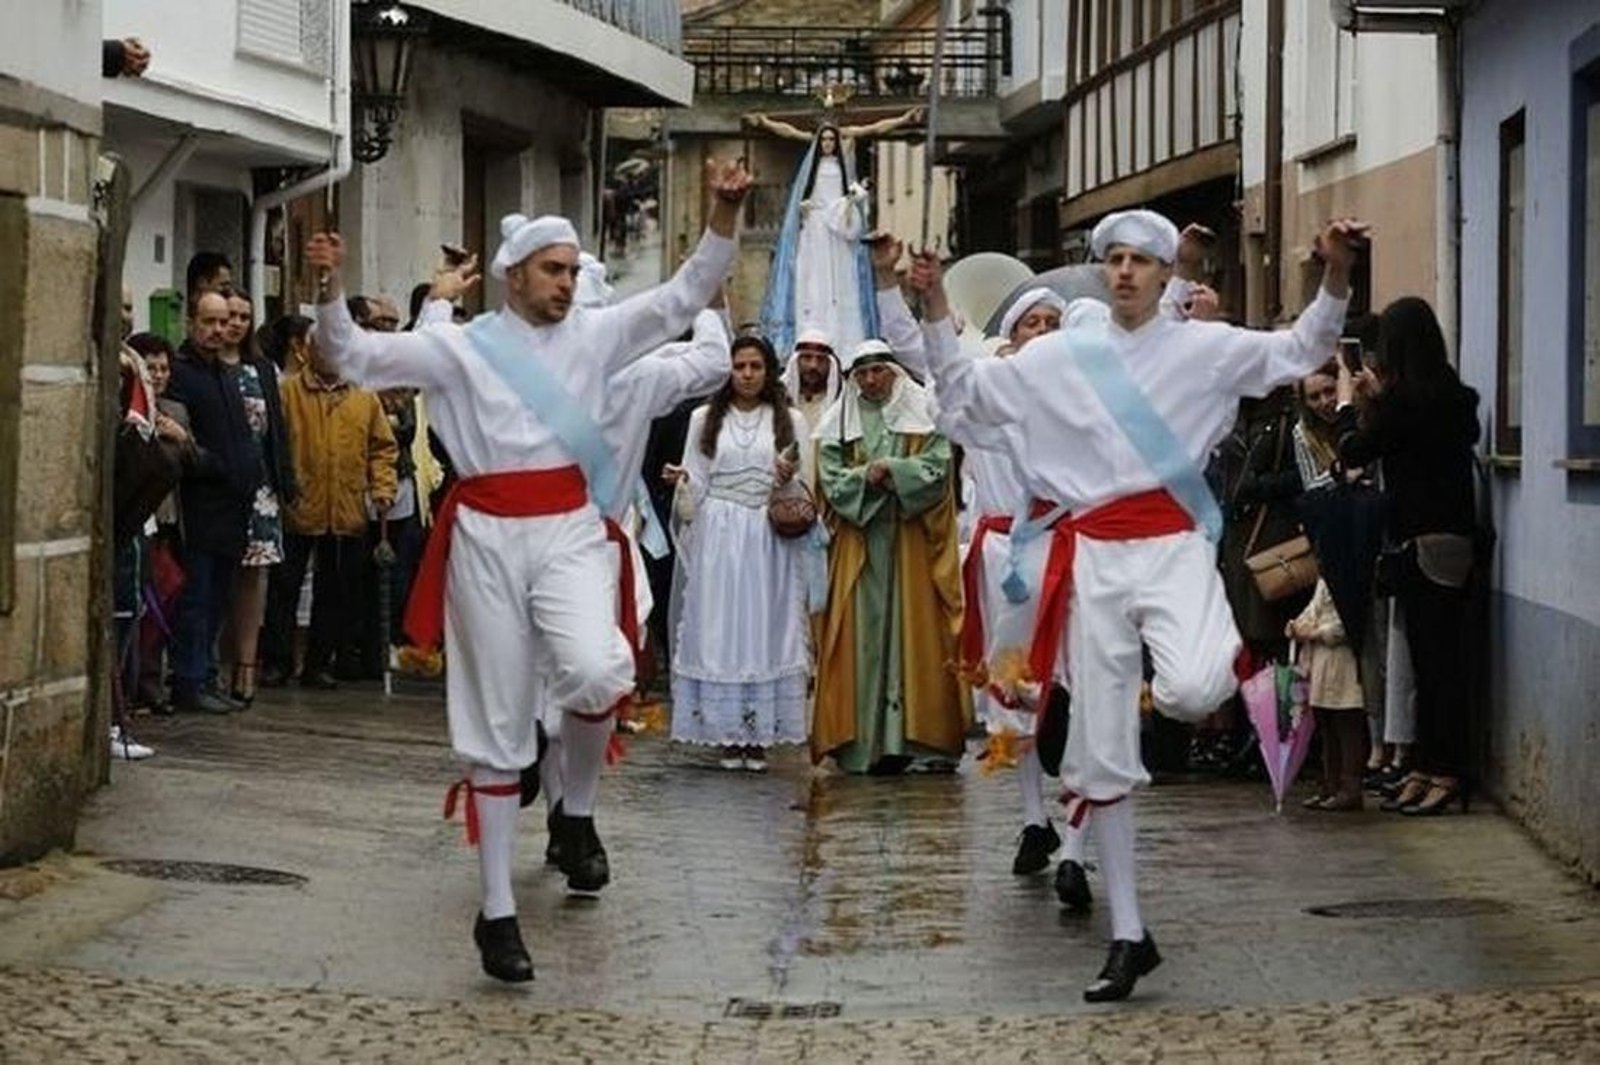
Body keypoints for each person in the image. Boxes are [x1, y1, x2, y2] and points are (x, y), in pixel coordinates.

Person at [303, 159, 750, 984]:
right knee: (498, 725)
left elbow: (685, 296)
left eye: (574, 271)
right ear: (514, 275)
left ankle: (575, 815)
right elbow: (354, 356)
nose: (567, 284)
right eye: (554, 270)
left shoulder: (601, 333)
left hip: (573, 528)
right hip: (484, 537)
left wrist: (724, 214)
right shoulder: (461, 349)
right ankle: (498, 910)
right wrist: (327, 288)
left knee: (596, 669)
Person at [908, 207, 1364, 1001]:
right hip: (1095, 558)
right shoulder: (1057, 357)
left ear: (1164, 275)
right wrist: (927, 305)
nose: (1124, 271)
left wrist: (1335, 276)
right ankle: (1128, 932)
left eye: (1139, 261)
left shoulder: (1205, 350)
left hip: (1175, 548)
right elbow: (964, 392)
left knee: (1190, 688)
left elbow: (1301, 350)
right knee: (1101, 745)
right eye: (1112, 258)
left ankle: (1209, 679)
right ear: (1103, 268)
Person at [1333, 296, 1480, 817]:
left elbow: (1354, 450)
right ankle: (1426, 767)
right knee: (1437, 661)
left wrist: (1351, 406)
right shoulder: (1455, 397)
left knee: (1432, 666)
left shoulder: (1404, 403)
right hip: (1455, 540)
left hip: (1420, 542)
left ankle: (1443, 773)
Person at [812, 338, 969, 774]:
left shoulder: (923, 415)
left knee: (916, 635)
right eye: (860, 373)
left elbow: (940, 470)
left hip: (911, 543)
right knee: (859, 638)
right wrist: (870, 474)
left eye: (877, 371)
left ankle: (922, 740)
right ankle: (864, 743)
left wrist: (895, 471)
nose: (869, 379)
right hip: (860, 544)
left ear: (893, 372)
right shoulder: (837, 421)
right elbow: (830, 480)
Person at [666, 335, 812, 771]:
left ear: (768, 371)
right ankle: (728, 733)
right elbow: (696, 478)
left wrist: (786, 476)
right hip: (720, 532)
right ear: (729, 371)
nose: (747, 375)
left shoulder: (790, 420)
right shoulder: (703, 418)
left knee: (765, 624)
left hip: (766, 531)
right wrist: (682, 482)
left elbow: (803, 488)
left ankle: (759, 735)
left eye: (755, 367)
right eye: (739, 366)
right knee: (721, 626)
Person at [260, 317, 398, 689]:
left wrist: (382, 488)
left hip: (346, 507)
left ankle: (320, 662)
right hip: (298, 505)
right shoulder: (288, 394)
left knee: (335, 591)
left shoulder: (364, 397)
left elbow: (382, 448)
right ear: (307, 351)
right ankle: (277, 660)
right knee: (283, 589)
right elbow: (273, 445)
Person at [165, 290, 275, 714]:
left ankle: (206, 676)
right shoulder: (182, 374)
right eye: (208, 321)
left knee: (218, 598)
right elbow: (181, 439)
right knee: (197, 597)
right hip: (202, 504)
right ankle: (189, 680)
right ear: (191, 322)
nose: (217, 329)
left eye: (223, 320)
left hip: (234, 506)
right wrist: (217, 466)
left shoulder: (228, 374)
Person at [747, 109, 923, 358]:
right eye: (825, 139)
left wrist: (904, 119)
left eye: (832, 139)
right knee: (813, 280)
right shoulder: (813, 162)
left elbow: (876, 127)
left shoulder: (847, 141)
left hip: (840, 227)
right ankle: (811, 330)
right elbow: (789, 131)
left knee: (844, 279)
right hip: (816, 226)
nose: (829, 143)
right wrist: (765, 121)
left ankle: (847, 339)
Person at [214, 285, 292, 706]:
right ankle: (214, 666)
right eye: (229, 315)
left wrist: (284, 479)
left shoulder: (261, 369)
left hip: (261, 485)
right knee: (216, 576)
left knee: (254, 577)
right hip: (221, 484)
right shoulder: (206, 366)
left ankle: (246, 664)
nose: (236, 324)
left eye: (244, 316)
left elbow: (277, 429)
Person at [1289, 577, 1366, 810]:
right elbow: (1314, 608)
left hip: (1343, 660)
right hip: (1322, 660)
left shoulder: (1348, 576)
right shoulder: (1326, 578)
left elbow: (1344, 624)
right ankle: (1330, 785)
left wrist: (1312, 632)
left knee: (1346, 724)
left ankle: (1349, 788)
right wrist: (1297, 625)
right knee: (1327, 724)